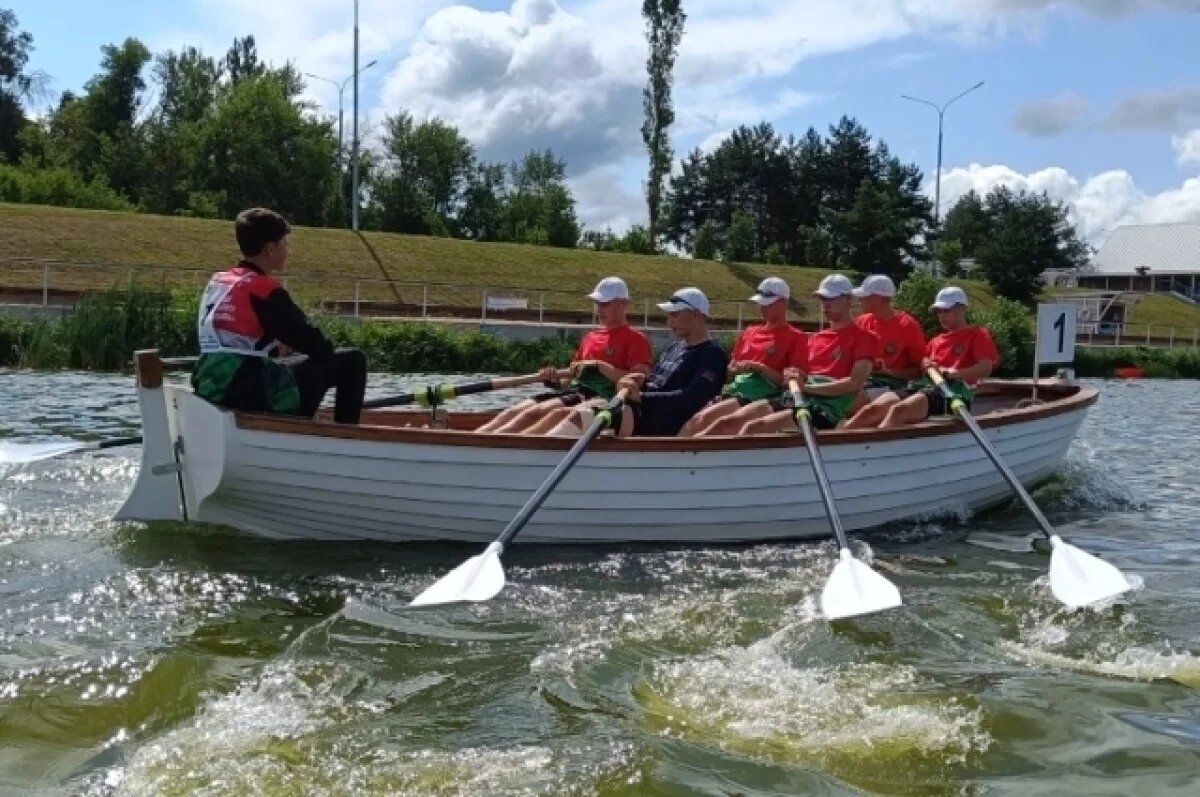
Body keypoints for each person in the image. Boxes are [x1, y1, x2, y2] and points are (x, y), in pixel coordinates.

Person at [192, 207, 367, 424]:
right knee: (352, 361)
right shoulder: (264, 290)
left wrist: (280, 349)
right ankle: (346, 439)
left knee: (289, 359)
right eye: (285, 244)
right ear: (270, 249)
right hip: (247, 390)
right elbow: (317, 345)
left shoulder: (218, 281)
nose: (289, 251)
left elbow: (238, 339)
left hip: (210, 384)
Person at [476, 276, 653, 434]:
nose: (599, 308)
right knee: (518, 410)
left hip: (603, 398)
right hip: (575, 392)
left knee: (543, 412)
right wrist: (553, 380)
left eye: (605, 303)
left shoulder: (636, 339)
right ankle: (478, 438)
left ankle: (506, 448)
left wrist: (600, 366)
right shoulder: (590, 337)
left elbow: (638, 380)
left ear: (623, 304)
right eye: (597, 303)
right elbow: (569, 379)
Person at [544, 287, 728, 438]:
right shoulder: (674, 347)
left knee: (579, 417)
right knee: (563, 413)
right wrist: (638, 381)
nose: (669, 321)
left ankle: (539, 459)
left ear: (695, 314)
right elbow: (655, 381)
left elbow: (691, 399)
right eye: (669, 316)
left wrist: (640, 397)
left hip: (663, 421)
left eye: (675, 315)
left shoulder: (713, 355)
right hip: (642, 410)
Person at [737, 274, 880, 435]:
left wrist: (807, 388)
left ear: (849, 300)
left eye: (831, 299)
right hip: (797, 399)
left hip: (825, 407)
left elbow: (854, 383)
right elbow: (797, 375)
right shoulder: (813, 339)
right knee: (731, 422)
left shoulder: (866, 338)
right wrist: (792, 374)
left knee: (753, 428)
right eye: (822, 300)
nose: (825, 305)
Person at [846, 286, 1000, 429]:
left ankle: (872, 452)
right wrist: (914, 364)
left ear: (962, 309)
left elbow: (985, 368)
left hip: (953, 392)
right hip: (924, 387)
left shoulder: (977, 334)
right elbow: (918, 368)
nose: (941, 315)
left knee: (898, 410)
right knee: (871, 410)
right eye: (938, 311)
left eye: (946, 310)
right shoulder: (935, 341)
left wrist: (952, 373)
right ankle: (838, 440)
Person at [681, 277, 808, 437]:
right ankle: (676, 455)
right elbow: (728, 372)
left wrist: (759, 368)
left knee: (717, 425)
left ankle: (686, 456)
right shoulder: (749, 332)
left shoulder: (797, 337)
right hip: (733, 391)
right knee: (696, 421)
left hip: (760, 396)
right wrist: (733, 370)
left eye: (767, 303)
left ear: (784, 303)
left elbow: (790, 383)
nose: (762, 307)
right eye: (760, 303)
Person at [842, 273, 927, 421]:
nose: (860, 300)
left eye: (864, 296)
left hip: (891, 385)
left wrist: (889, 372)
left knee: (848, 400)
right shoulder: (861, 322)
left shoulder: (907, 326)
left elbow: (918, 371)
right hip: (863, 381)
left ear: (878, 298)